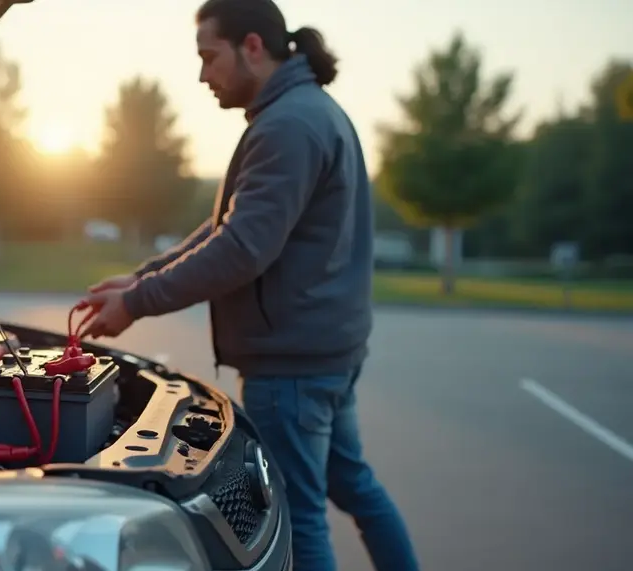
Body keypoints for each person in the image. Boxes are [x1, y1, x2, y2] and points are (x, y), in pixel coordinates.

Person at [81, 0, 420, 569]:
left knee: (299, 513)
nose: (202, 75)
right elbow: (231, 228)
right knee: (354, 486)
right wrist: (142, 277)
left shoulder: (289, 124)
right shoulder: (306, 110)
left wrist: (138, 303)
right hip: (324, 353)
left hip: (293, 368)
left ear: (253, 48)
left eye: (209, 57)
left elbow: (241, 250)